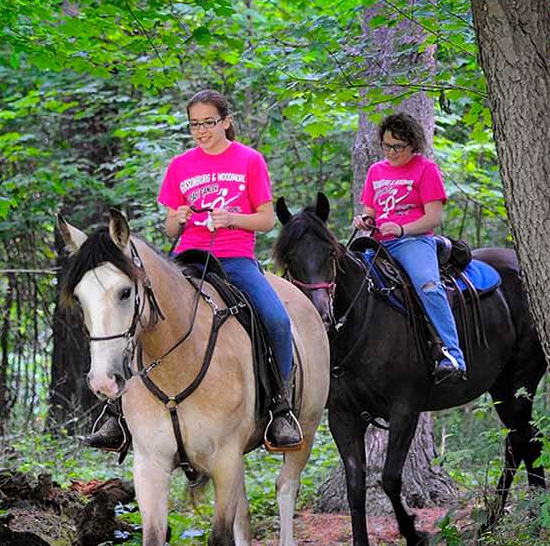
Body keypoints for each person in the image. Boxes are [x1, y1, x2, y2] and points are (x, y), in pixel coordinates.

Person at [82, 90, 303, 453]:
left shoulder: (249, 160)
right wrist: (178, 218)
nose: (201, 131)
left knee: (276, 320)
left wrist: (233, 218)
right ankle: (116, 414)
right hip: (185, 261)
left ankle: (280, 407)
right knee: (138, 314)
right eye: (195, 124)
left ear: (226, 121)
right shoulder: (181, 166)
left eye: (208, 123)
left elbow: (265, 219)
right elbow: (170, 228)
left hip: (234, 260)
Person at [352, 112, 466, 383]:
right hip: (378, 243)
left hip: (413, 241)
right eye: (386, 145)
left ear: (413, 144)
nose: (391, 152)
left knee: (428, 285)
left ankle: (453, 354)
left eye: (398, 147)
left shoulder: (425, 169)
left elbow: (434, 218)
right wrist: (364, 219)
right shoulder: (375, 172)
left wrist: (402, 229)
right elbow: (370, 210)